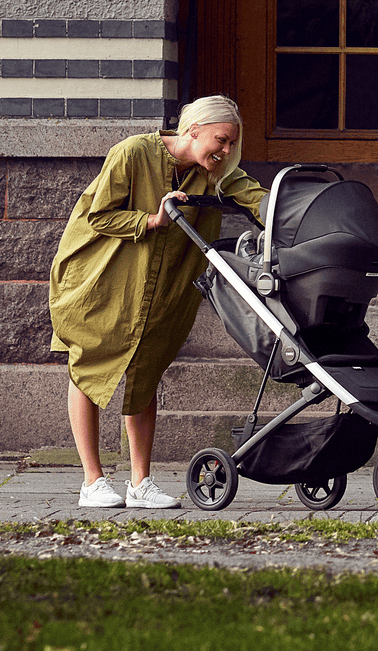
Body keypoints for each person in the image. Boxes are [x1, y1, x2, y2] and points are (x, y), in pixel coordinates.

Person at [49, 95, 267, 508]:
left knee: (145, 368)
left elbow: (258, 198)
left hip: (162, 287)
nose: (224, 151)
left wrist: (301, 212)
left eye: (231, 145)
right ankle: (92, 481)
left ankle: (140, 483)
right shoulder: (133, 153)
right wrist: (152, 220)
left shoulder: (219, 173)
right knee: (88, 363)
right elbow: (99, 216)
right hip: (102, 276)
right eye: (220, 140)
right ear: (194, 129)